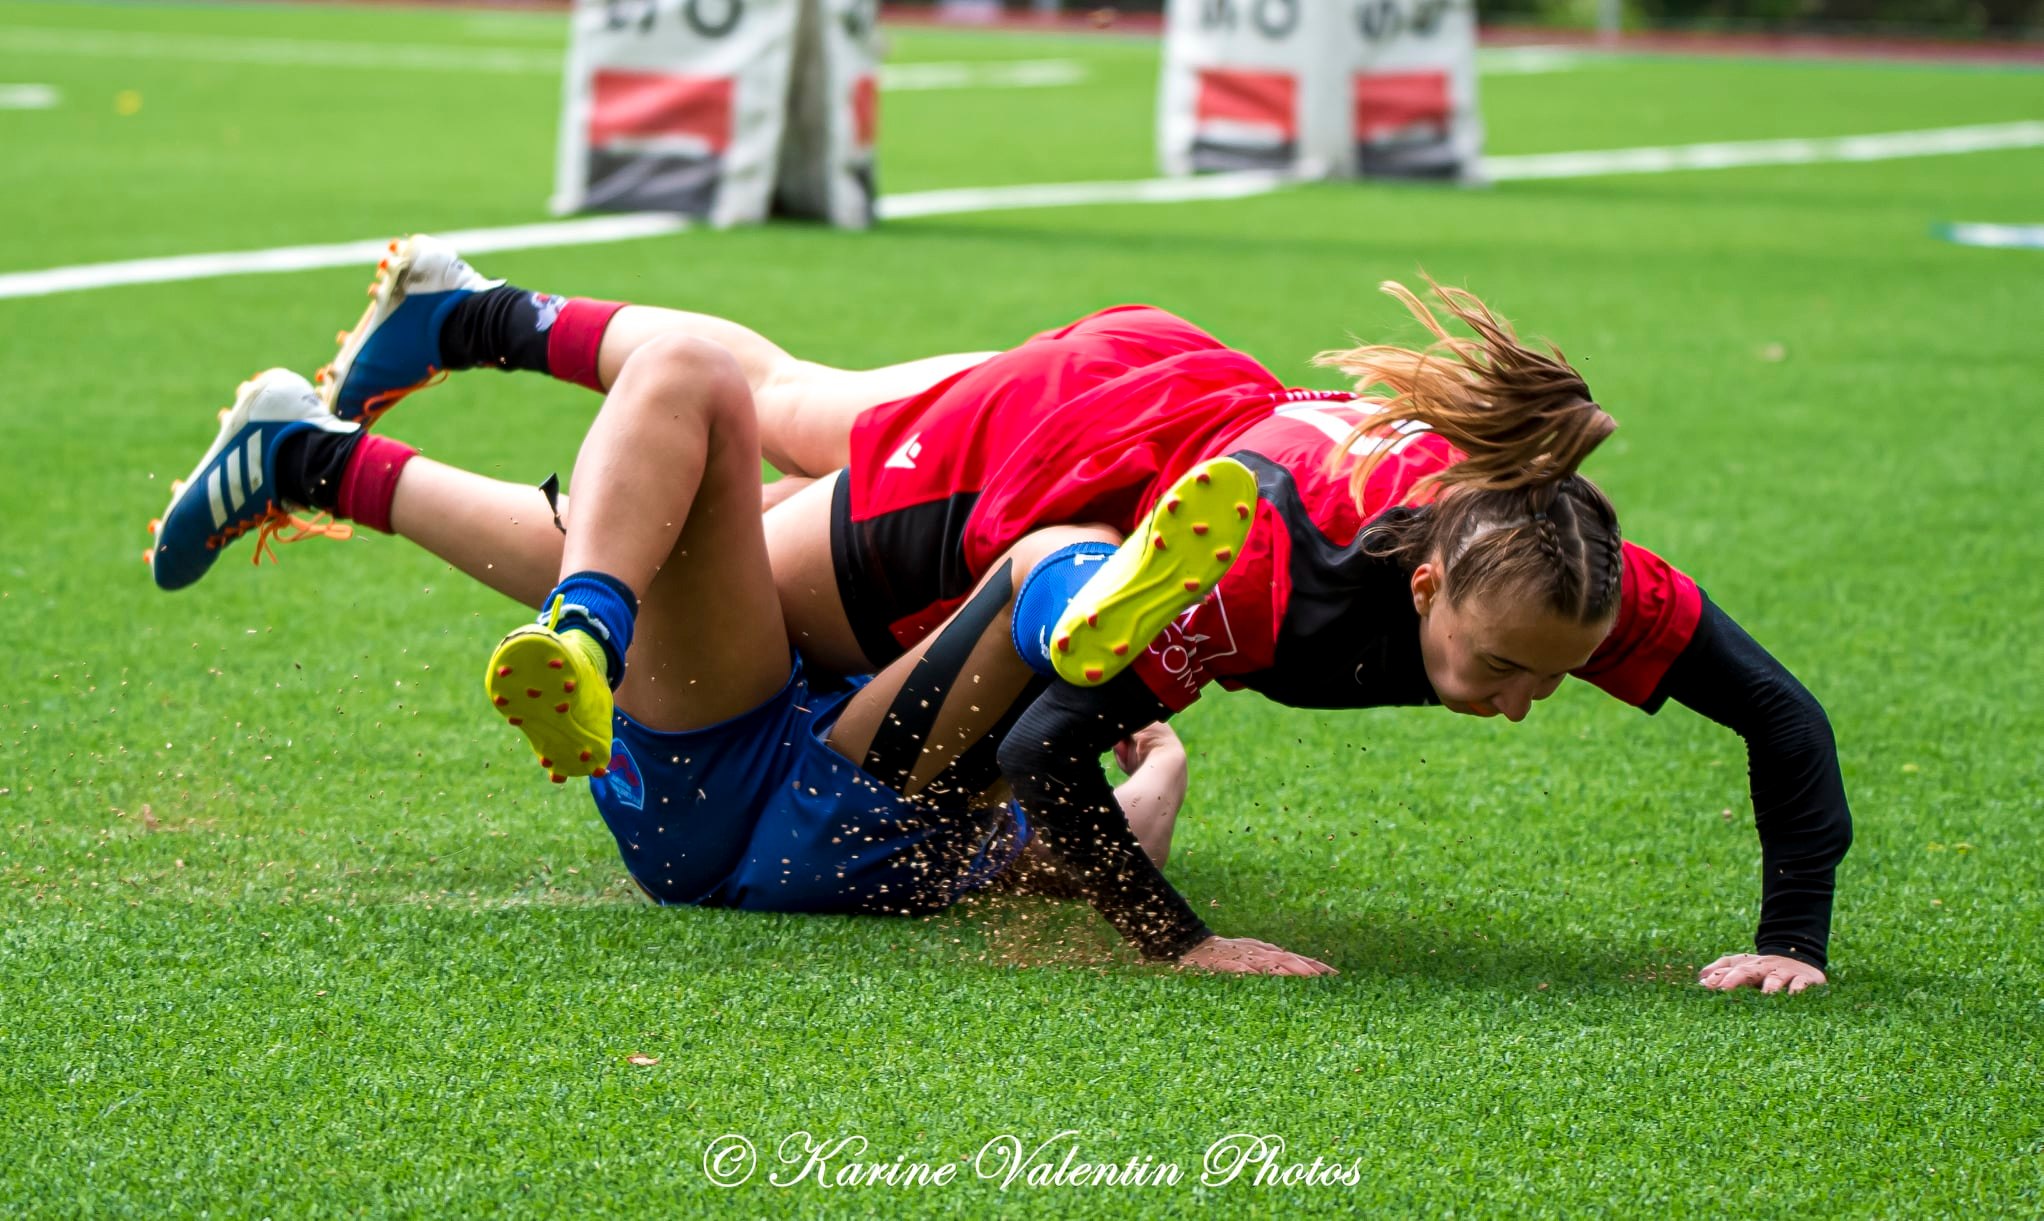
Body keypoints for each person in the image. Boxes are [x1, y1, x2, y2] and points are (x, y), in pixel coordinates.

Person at [175, 237, 1854, 991]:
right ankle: (578, 595)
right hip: (1023, 512)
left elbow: (1778, 718)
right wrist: (1169, 924)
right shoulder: (1269, 567)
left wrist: (1789, 935)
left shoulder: (1555, 572)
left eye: (1536, 679)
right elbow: (1065, 756)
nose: (1516, 701)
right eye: (1491, 669)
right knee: (733, 425)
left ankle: (361, 419)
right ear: (1425, 577)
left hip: (1114, 464)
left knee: (761, 417)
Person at [146, 351, 1331, 975]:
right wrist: (1165, 764)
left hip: (737, 800)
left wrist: (1166, 858)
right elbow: (1096, 827)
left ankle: (581, 618)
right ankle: (308, 459)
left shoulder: (1012, 783)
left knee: (697, 401)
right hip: (769, 787)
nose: (1520, 704)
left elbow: (1087, 824)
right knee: (705, 506)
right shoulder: (1013, 806)